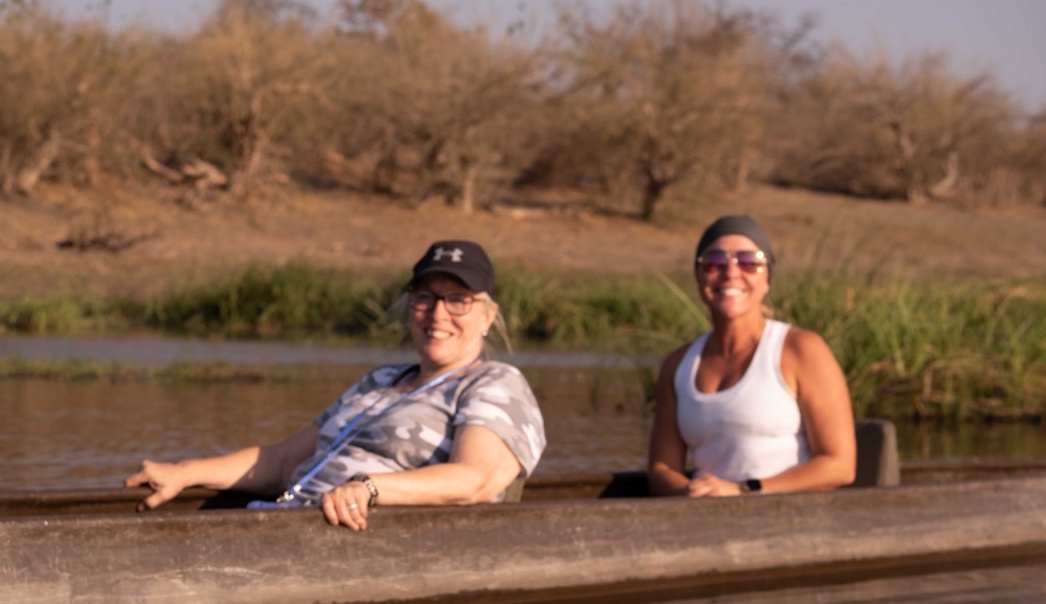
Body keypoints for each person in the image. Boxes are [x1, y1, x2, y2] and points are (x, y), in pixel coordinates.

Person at [125, 240, 546, 530]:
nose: (438, 314)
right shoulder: (382, 380)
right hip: (288, 519)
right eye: (425, 298)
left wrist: (370, 488)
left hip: (359, 534)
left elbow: (476, 480)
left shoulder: (494, 383)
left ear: (487, 316)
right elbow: (282, 461)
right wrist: (186, 473)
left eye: (457, 300)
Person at [647, 215, 855, 497]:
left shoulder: (802, 349)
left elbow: (840, 466)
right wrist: (694, 494)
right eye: (714, 262)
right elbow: (661, 469)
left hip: (789, 522)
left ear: (767, 278)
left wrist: (743, 490)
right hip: (705, 523)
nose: (731, 273)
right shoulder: (678, 365)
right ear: (699, 277)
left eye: (749, 261)